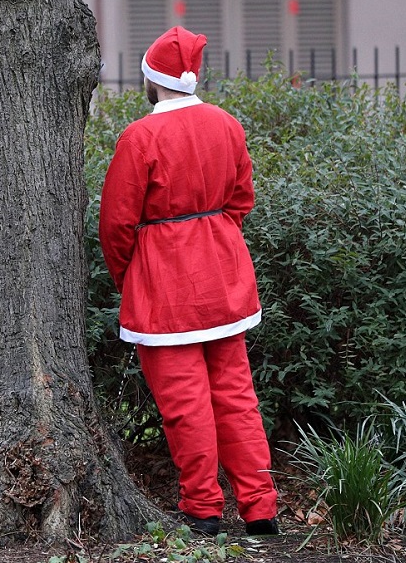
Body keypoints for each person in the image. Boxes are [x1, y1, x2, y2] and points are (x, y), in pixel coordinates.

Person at [98, 26, 279, 536]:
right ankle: (260, 508)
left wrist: (131, 275)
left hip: (164, 291)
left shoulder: (139, 137)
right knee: (237, 397)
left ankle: (203, 508)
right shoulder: (226, 124)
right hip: (225, 282)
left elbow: (116, 224)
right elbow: (241, 200)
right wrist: (214, 241)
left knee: (186, 405)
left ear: (151, 79)